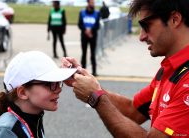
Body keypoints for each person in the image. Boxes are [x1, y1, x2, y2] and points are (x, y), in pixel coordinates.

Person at [62, 0, 189, 137]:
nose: (141, 37)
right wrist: (91, 86)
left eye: (146, 26)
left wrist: (96, 97)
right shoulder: (169, 68)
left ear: (174, 19)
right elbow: (132, 111)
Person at [0, 51, 76, 138]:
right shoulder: (6, 132)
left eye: (58, 82)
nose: (59, 89)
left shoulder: (34, 117)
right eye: (49, 84)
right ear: (22, 92)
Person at [78, 0, 100, 76]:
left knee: (93, 54)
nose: (93, 4)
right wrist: (85, 30)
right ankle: (82, 71)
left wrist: (91, 30)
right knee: (84, 54)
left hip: (93, 36)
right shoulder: (82, 12)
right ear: (88, 3)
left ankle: (94, 71)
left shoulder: (97, 13)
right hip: (84, 36)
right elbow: (79, 24)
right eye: (92, 2)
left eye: (94, 3)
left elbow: (98, 26)